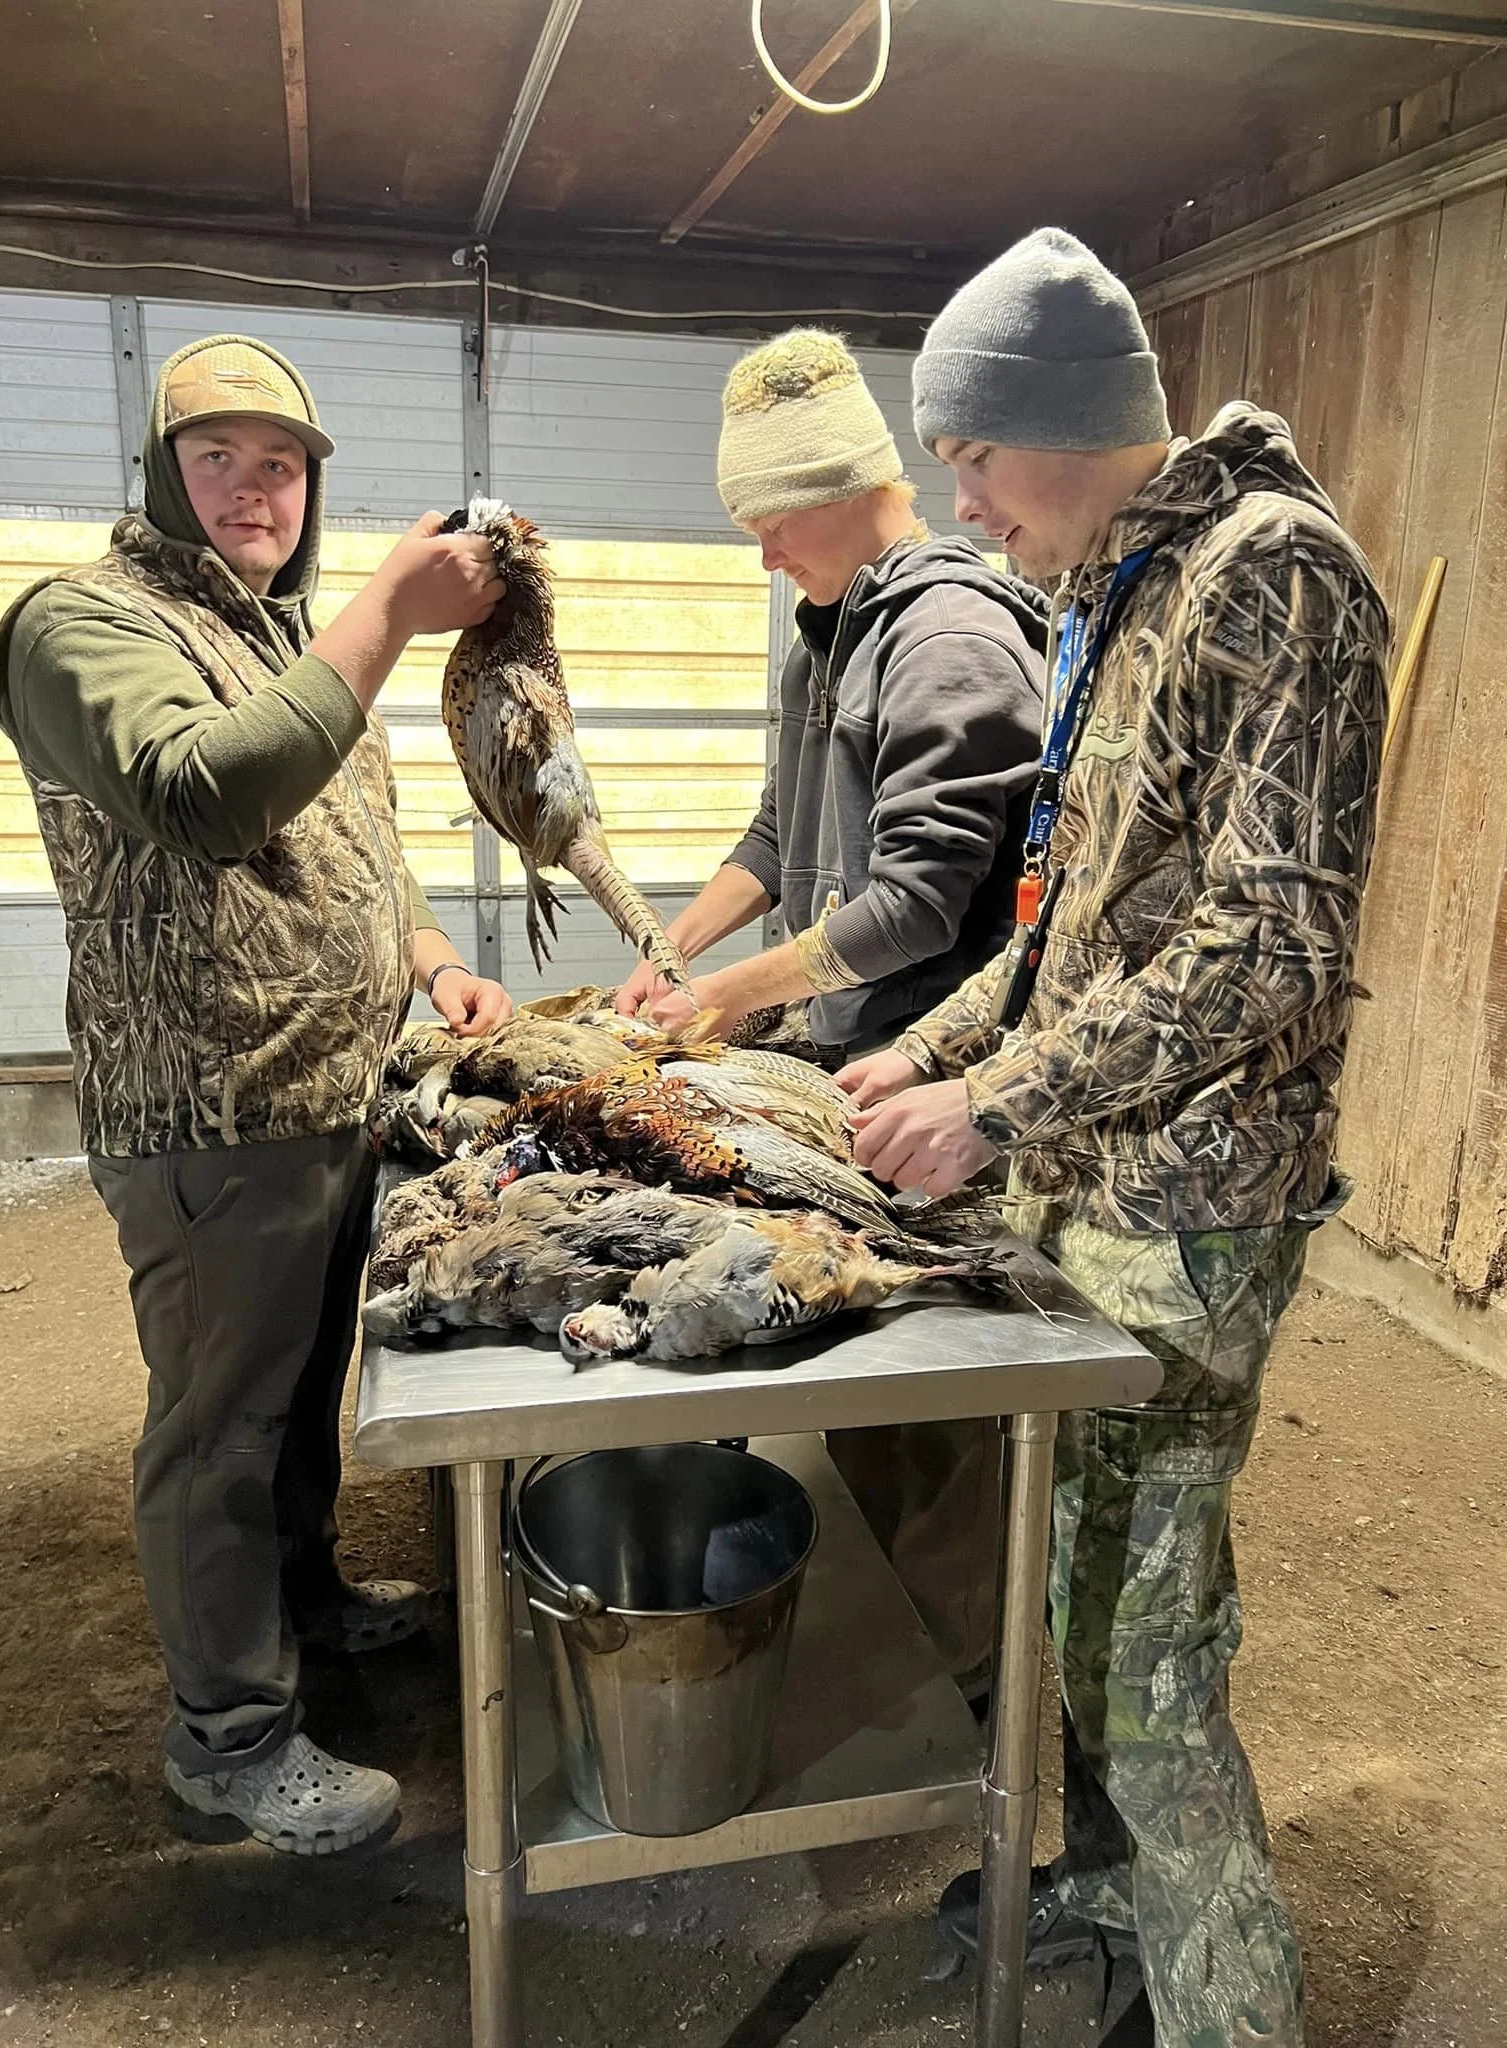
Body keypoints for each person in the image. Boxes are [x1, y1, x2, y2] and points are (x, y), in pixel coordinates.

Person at [847, 230, 1388, 2046]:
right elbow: (1071, 926)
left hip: (1192, 1210)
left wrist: (992, 1106)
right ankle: (1109, 1899)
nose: (961, 502)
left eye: (972, 456)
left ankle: (1235, 2012)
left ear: (1064, 421)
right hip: (1094, 1180)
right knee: (1075, 1592)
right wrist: (915, 1057)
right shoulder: (1125, 583)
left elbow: (1273, 943)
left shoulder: (1276, 575)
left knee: (1146, 1662)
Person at [0, 334, 513, 1856]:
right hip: (209, 1116)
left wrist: (428, 957)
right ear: (162, 473)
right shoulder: (83, 625)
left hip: (329, 1095)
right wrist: (390, 613)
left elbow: (354, 832)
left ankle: (304, 1603)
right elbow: (209, 794)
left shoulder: (283, 635)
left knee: (291, 1398)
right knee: (217, 1430)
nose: (252, 488)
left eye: (279, 465)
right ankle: (229, 1738)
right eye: (214, 458)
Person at [617, 328, 1046, 1691]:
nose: (760, 557)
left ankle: (977, 1678)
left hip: (937, 1078)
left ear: (848, 488)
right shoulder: (828, 633)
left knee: (936, 1392)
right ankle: (909, 1615)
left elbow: (917, 903)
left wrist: (732, 998)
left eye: (770, 525)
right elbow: (776, 832)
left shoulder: (950, 637)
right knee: (865, 1372)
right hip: (847, 1062)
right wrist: (673, 953)